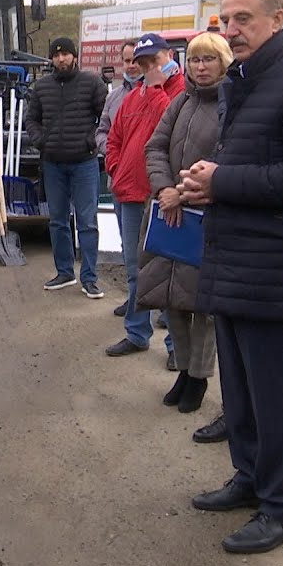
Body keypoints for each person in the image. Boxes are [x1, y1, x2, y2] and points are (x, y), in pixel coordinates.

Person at [177, 0, 283, 554]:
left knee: (276, 398)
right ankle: (249, 480)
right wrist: (206, 183)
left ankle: (282, 507)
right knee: (242, 393)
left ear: (278, 20)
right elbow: (246, 164)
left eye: (244, 18)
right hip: (232, 263)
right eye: (226, 19)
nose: (231, 29)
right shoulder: (241, 83)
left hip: (273, 273)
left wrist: (222, 181)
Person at [138, 32, 231, 417]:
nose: (200, 67)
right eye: (194, 60)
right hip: (169, 213)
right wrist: (163, 189)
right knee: (171, 298)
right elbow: (154, 147)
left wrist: (185, 193)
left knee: (203, 307)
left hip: (207, 217)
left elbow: (229, 162)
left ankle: (200, 376)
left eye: (209, 60)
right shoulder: (181, 102)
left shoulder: (231, 106)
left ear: (224, 63)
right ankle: (183, 369)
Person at [104, 33, 183, 361]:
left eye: (154, 61)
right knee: (136, 269)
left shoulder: (177, 94)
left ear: (169, 56)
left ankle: (177, 347)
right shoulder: (132, 97)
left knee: (165, 272)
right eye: (142, 63)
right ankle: (137, 333)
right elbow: (114, 137)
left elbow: (164, 129)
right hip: (128, 193)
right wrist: (116, 168)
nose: (148, 69)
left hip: (160, 196)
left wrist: (154, 89)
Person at [26, 37, 107, 298]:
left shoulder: (92, 83)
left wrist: (91, 139)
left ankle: (90, 278)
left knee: (86, 222)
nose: (61, 59)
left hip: (84, 163)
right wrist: (41, 141)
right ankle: (64, 272)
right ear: (51, 59)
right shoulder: (42, 87)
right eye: (56, 55)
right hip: (53, 164)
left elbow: (104, 117)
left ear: (74, 56)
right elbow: (31, 118)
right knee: (58, 221)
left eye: (66, 54)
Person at [98, 40, 140, 317]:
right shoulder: (113, 98)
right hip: (120, 184)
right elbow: (101, 132)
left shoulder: (161, 94)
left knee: (155, 249)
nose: (131, 65)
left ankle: (160, 304)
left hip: (150, 187)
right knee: (128, 247)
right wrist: (113, 160)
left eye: (135, 60)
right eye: (126, 60)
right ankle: (135, 299)